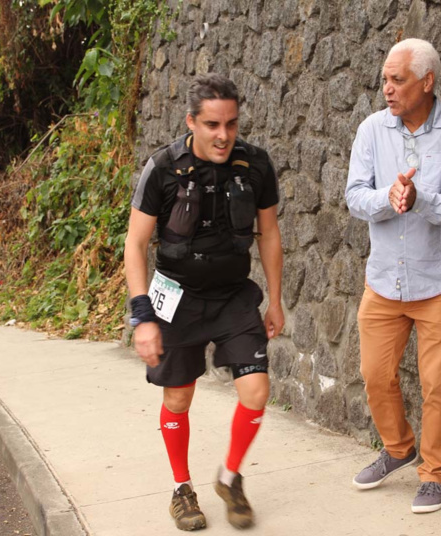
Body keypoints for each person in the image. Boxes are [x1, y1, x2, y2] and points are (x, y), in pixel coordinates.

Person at [123, 73, 284, 531]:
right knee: (178, 397)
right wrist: (142, 317)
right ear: (190, 121)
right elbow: (135, 245)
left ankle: (229, 477)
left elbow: (269, 233)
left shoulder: (255, 165)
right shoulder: (162, 169)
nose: (224, 135)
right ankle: (181, 489)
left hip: (234, 295)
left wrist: (275, 299)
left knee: (256, 390)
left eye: (231, 124)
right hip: (176, 296)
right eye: (213, 124)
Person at [344, 38, 441, 514]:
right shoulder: (370, 131)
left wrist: (420, 198)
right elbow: (354, 196)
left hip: (439, 283)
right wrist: (391, 197)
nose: (387, 88)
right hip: (383, 280)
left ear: (427, 82)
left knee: (437, 387)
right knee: (374, 374)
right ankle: (399, 447)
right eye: (385, 78)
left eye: (397, 80)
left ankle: (435, 474)